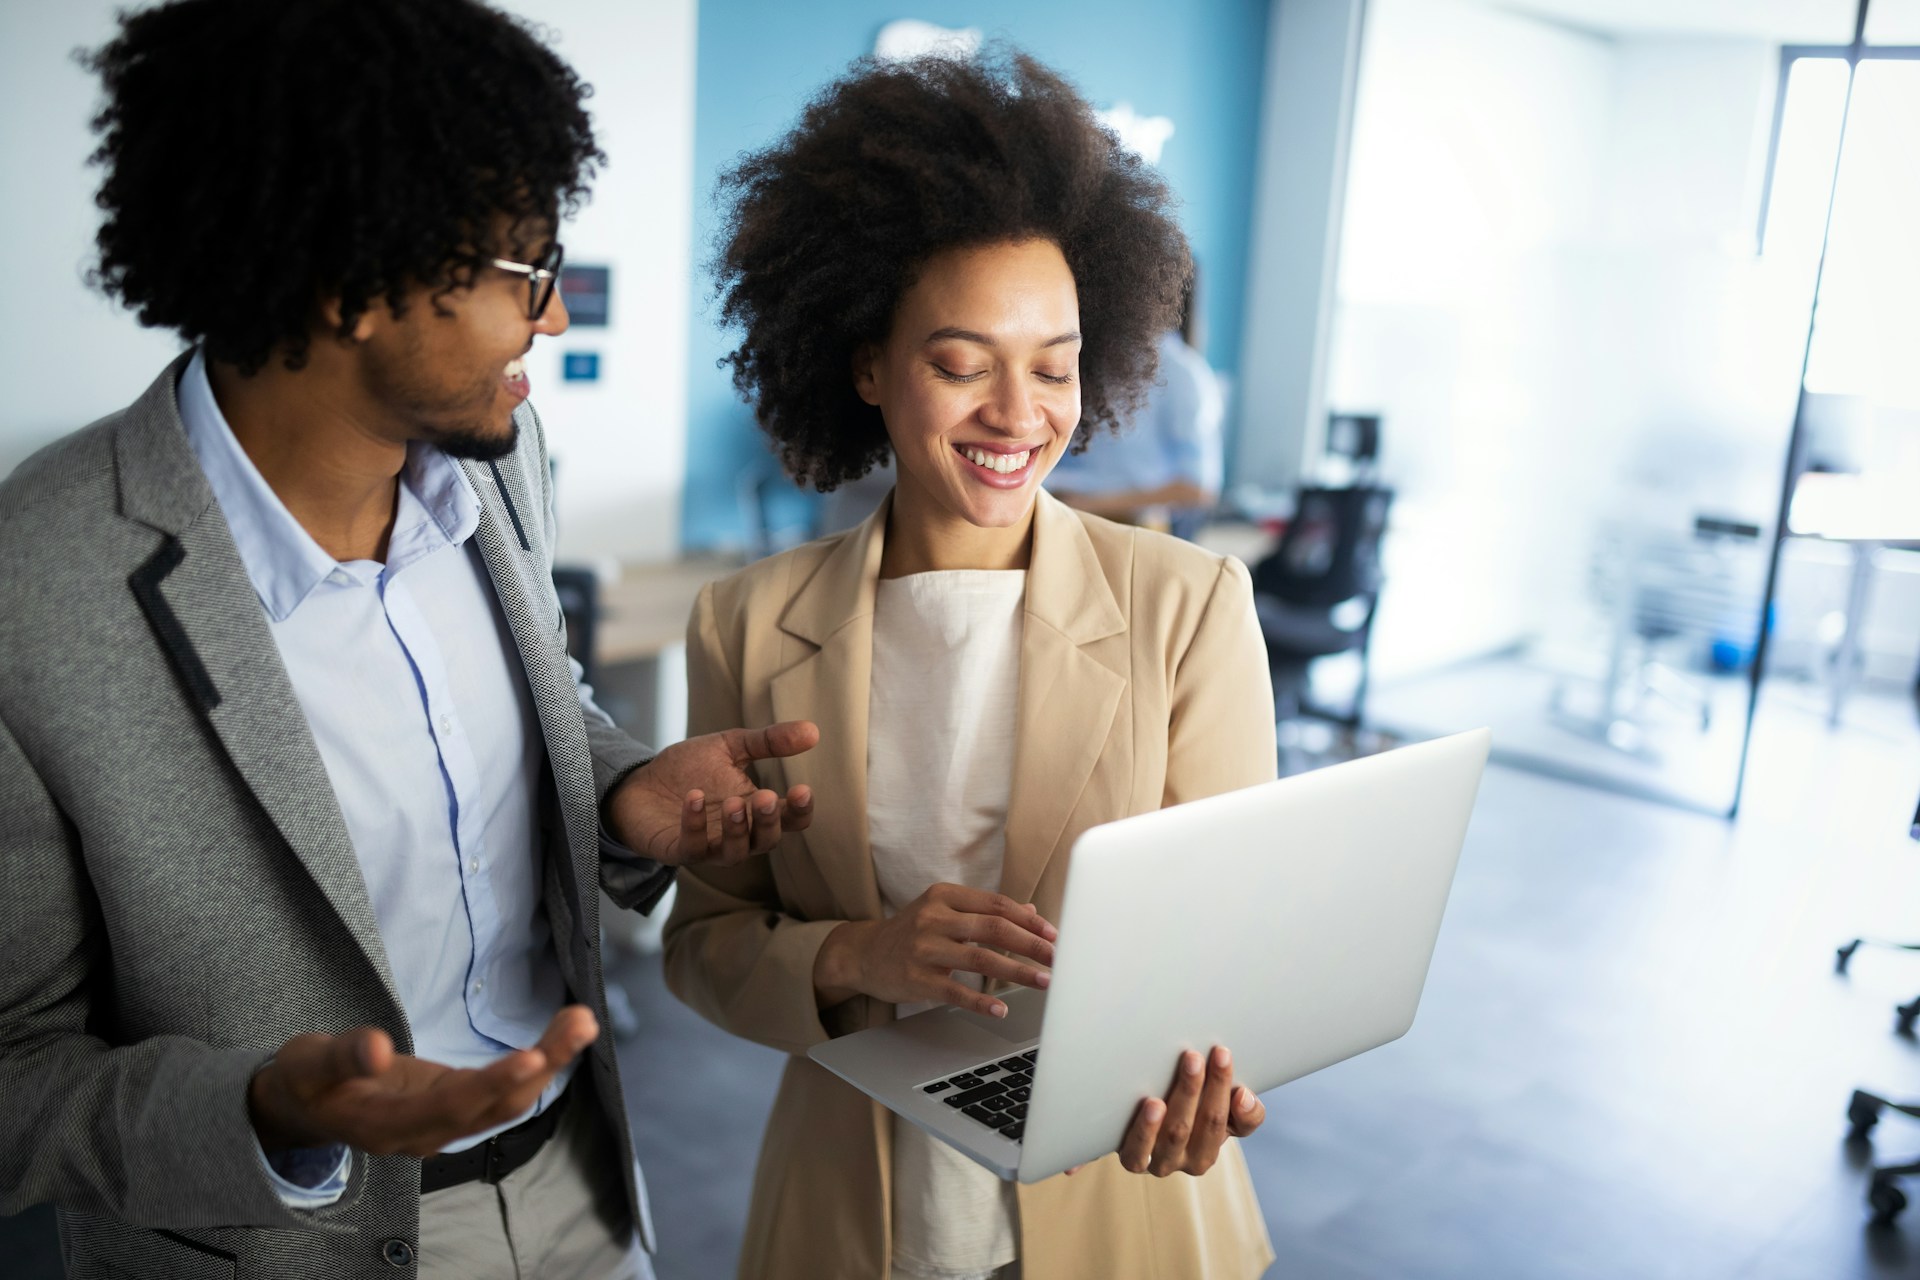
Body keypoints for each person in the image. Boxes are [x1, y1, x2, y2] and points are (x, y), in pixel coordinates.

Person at [0, 2, 816, 1277]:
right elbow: (14, 1072)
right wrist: (269, 1110)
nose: (550, 319)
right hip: (283, 1241)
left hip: (580, 1185)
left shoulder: (503, 464)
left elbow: (537, 722)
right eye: (525, 272)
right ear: (351, 282)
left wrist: (625, 792)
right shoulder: (37, 585)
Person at [663, 51, 1278, 1280]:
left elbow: (1240, 939)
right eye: (960, 362)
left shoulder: (1187, 603)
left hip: (1122, 1200)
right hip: (855, 1208)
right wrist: (856, 957)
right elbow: (707, 940)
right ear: (866, 364)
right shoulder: (746, 620)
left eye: (1054, 364)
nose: (1019, 412)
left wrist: (1219, 1065)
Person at [1046, 275, 1225, 539]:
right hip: (1056, 511)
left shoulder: (1183, 374)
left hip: (1128, 528)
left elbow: (1200, 488)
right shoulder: (1080, 354)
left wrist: (1092, 503)